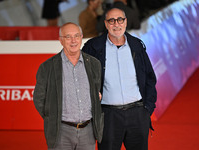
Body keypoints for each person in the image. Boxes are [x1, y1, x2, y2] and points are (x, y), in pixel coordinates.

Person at [82, 8, 157, 150]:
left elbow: (149, 78)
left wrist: (147, 109)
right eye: (111, 20)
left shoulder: (137, 45)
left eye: (120, 20)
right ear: (105, 24)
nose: (116, 24)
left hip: (137, 114)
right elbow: (81, 79)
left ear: (125, 21)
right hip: (108, 116)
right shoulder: (92, 47)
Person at [33, 22, 104, 150]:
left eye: (76, 36)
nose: (73, 41)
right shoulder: (47, 67)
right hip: (61, 133)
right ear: (60, 40)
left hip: (88, 132)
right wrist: (52, 117)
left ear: (81, 37)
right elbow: (39, 99)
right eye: (68, 37)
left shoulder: (94, 64)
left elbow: (97, 91)